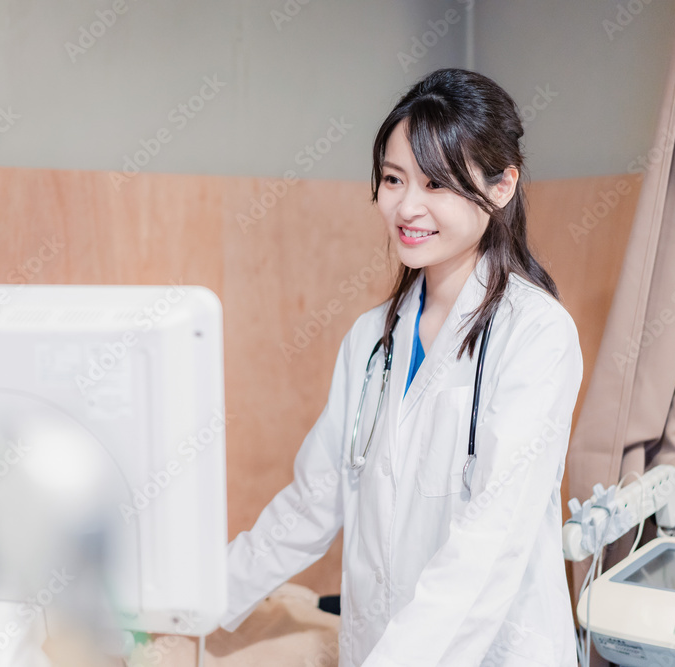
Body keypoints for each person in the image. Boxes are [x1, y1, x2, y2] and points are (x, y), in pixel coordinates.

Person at [221, 68, 583, 666]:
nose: (407, 207)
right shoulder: (371, 340)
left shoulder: (536, 335)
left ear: (501, 186)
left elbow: (490, 542)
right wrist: (188, 602)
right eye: (394, 179)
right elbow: (310, 506)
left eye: (436, 183)